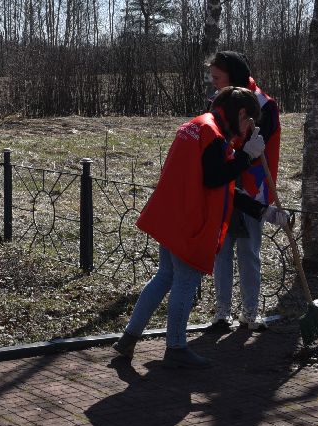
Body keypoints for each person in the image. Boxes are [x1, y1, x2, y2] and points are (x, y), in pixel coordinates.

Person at [114, 86, 265, 367]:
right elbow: (214, 178)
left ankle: (128, 338)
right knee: (185, 280)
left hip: (172, 213)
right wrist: (246, 158)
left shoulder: (195, 126)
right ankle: (176, 347)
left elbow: (219, 183)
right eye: (246, 123)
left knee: (165, 276)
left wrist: (262, 210)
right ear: (241, 113)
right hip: (189, 219)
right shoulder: (213, 134)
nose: (244, 131)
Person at [206, 51, 285, 330]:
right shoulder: (218, 101)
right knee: (222, 250)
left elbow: (254, 144)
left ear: (232, 76)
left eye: (217, 77)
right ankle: (222, 312)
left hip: (252, 188)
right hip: (223, 185)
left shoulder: (263, 104)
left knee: (248, 251)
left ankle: (250, 312)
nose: (212, 81)